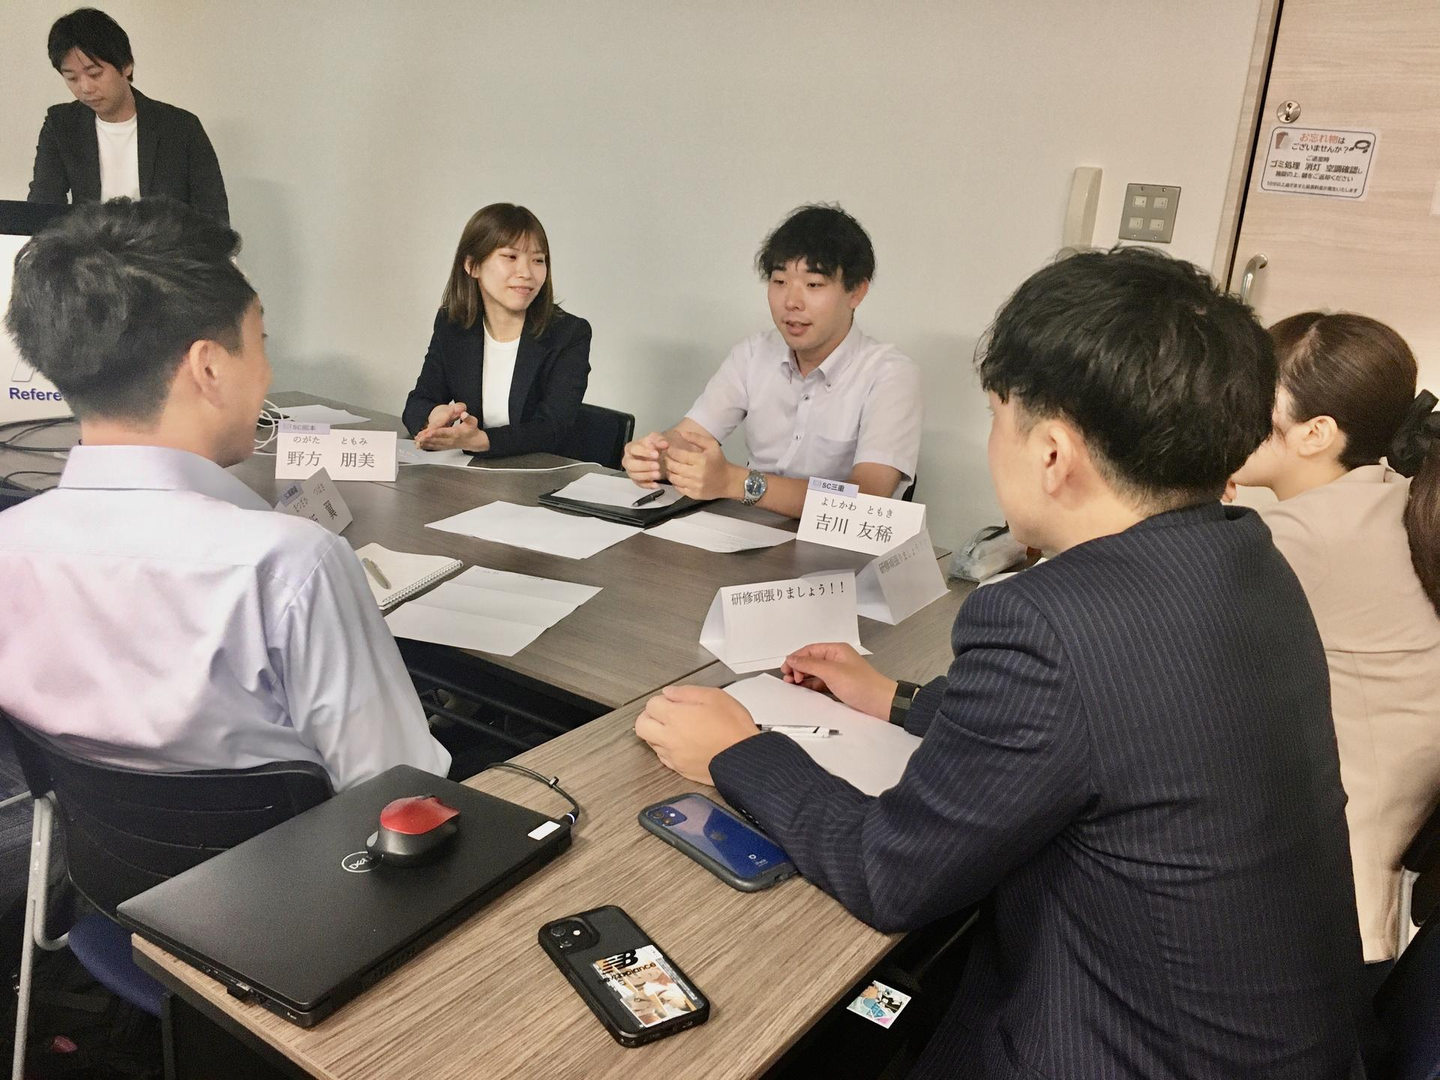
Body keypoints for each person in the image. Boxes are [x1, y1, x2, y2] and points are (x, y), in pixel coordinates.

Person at [635, 247, 1368, 1078]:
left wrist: (738, 750)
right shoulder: (1247, 558)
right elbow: (1105, 733)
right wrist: (897, 698)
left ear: (1052, 452)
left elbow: (890, 874)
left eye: (996, 416)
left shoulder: (1046, 623)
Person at [0, 197, 448, 792]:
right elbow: (401, 791)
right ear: (208, 367)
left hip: (93, 845)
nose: (267, 373)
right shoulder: (291, 567)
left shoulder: (10, 545)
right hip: (303, 853)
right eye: (260, 341)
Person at [1230, 311, 1440, 974]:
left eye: (1247, 395)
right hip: (1364, 905)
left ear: (1315, 433)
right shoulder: (1390, 498)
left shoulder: (1309, 536)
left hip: (1310, 914)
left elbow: (1139, 629)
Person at [621, 204, 920, 519]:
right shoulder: (753, 354)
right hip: (746, 536)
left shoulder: (890, 375)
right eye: (779, 282)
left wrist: (737, 482)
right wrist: (655, 456)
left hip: (836, 547)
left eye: (813, 285)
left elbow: (866, 500)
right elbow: (687, 437)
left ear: (856, 292)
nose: (791, 302)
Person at [403, 203, 592, 457]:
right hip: (471, 473)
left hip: (537, 473)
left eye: (538, 260)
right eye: (510, 257)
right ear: (472, 265)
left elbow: (552, 429)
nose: (526, 273)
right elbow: (418, 401)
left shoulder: (569, 334)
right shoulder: (453, 324)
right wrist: (434, 416)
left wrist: (482, 441)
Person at [27, 8, 229, 224]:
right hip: (89, 244)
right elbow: (41, 210)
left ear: (126, 66)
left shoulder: (181, 128)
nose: (85, 88)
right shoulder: (61, 125)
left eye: (95, 74)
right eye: (72, 78)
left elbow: (213, 219)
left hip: (164, 244)